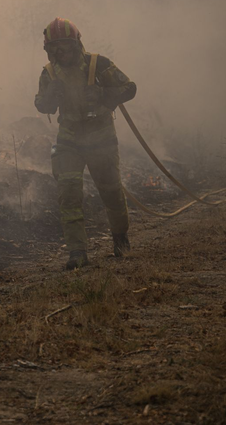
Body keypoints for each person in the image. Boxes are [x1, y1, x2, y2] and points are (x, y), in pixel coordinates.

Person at [34, 17, 137, 270]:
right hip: (69, 140)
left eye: (65, 47)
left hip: (101, 138)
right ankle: (77, 253)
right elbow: (41, 105)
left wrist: (104, 93)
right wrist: (49, 96)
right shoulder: (49, 73)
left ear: (77, 44)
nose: (61, 53)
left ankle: (120, 240)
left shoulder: (98, 64)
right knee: (68, 195)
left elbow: (129, 88)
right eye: (55, 49)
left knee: (111, 191)